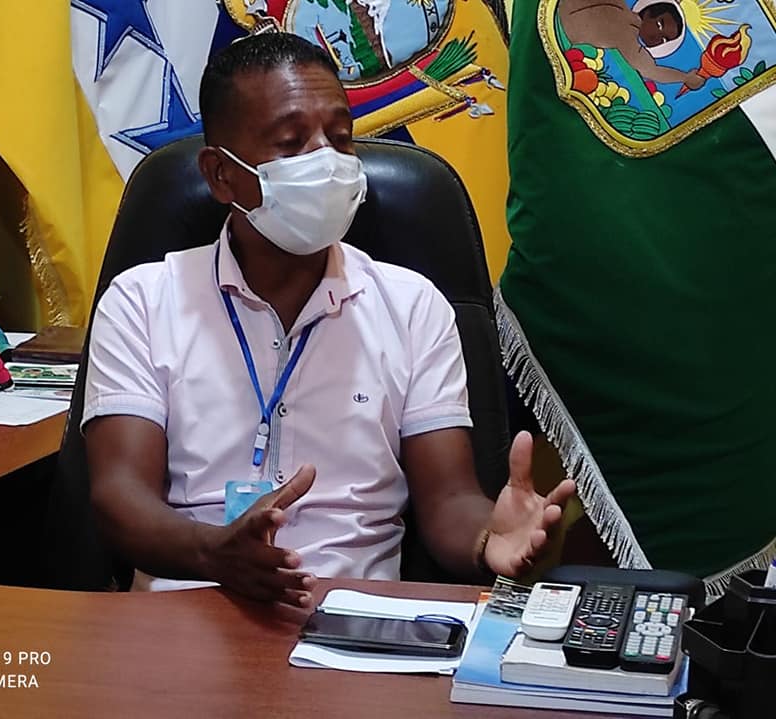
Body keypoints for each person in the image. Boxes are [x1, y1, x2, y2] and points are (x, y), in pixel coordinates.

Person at [82, 32, 576, 609]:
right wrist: (214, 552)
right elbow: (120, 494)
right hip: (187, 611)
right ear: (220, 175)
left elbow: (448, 502)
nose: (327, 161)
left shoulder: (413, 306)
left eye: (340, 138)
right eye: (292, 144)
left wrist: (492, 539)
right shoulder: (143, 301)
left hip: (354, 621)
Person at [559, 0, 706, 90]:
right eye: (659, 25)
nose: (657, 37)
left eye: (664, 39)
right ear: (647, 12)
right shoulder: (626, 32)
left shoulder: (623, 16)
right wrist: (686, 78)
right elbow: (651, 71)